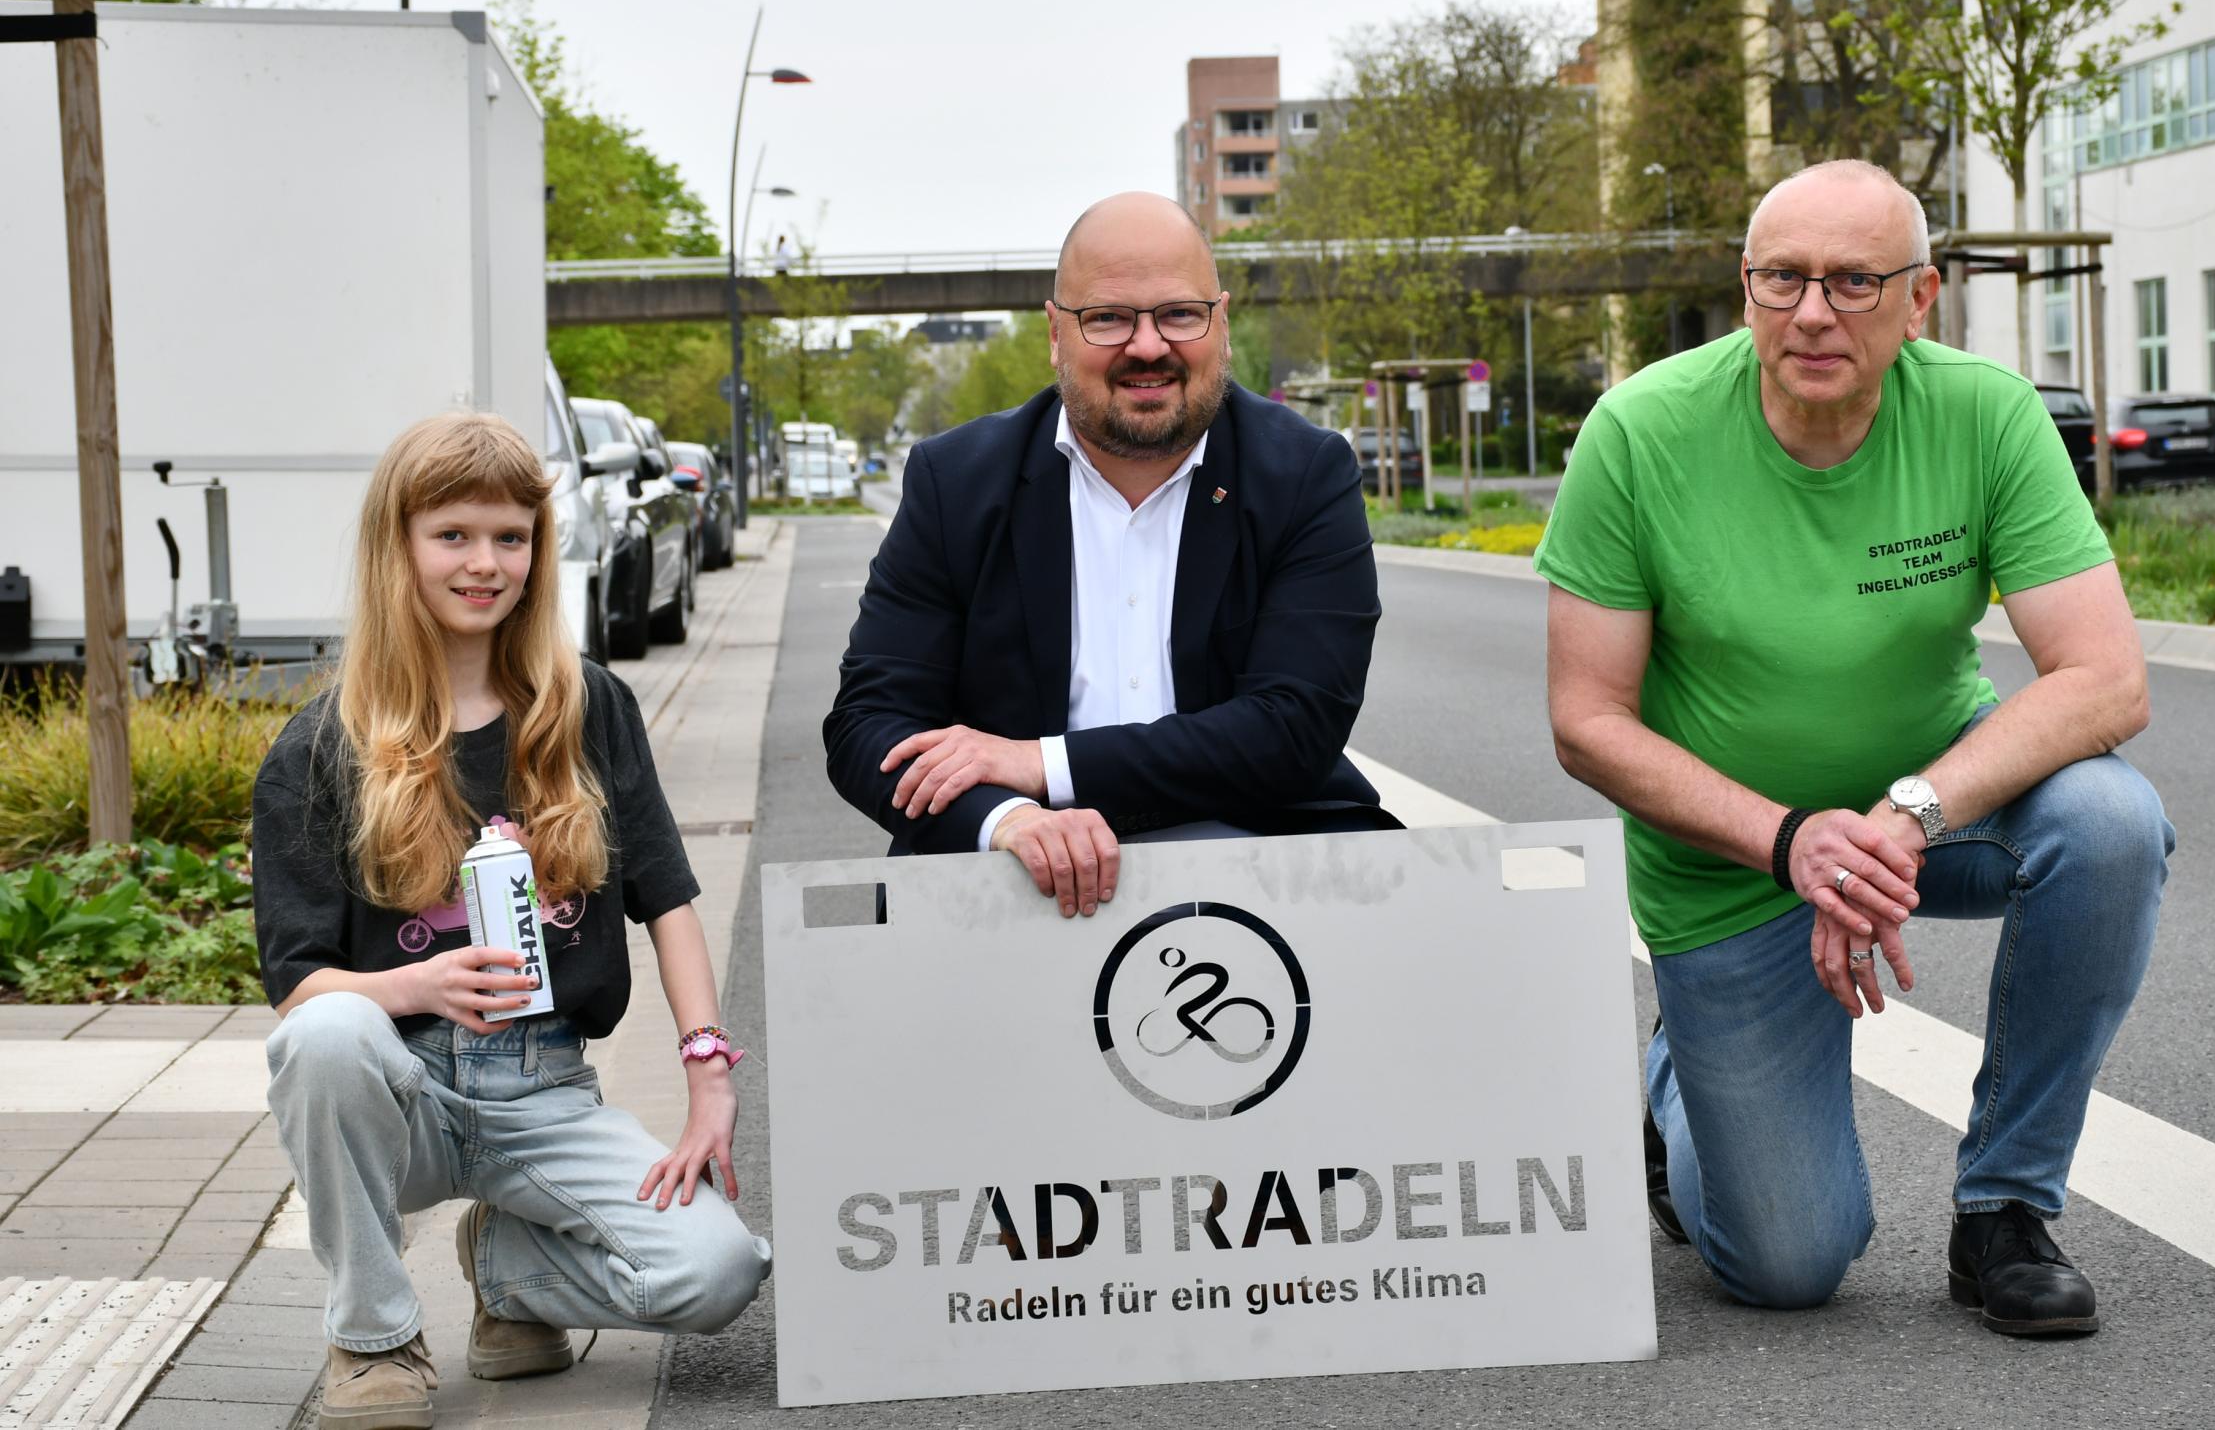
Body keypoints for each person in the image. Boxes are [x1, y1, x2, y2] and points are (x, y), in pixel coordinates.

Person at [1538, 160, 2172, 1338]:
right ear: (1745, 287)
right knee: (1787, 1264)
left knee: (2109, 824)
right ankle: (1680, 1075)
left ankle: (2005, 1207)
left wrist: (1904, 815)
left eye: (1852, 281)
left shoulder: (1986, 413)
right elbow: (1588, 718)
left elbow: (2105, 679)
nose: (1813, 313)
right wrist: (1788, 840)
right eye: (1781, 279)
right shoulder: (1639, 431)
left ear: (1920, 297)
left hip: (1920, 817)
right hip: (1734, 860)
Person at [253, 413, 768, 1429]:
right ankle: (373, 1337)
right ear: (397, 544)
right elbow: (300, 985)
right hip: (401, 1094)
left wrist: (708, 1074)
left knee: (720, 1272)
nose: (485, 563)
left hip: (545, 1091)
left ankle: (506, 1264)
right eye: (452, 534)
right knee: (325, 1036)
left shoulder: (588, 706)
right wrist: (415, 985)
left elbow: (666, 899)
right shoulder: (319, 747)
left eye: (511, 537)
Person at [823, 191, 1394, 911]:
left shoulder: (1306, 473)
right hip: (1011, 885)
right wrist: (1008, 819)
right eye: (1108, 318)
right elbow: (869, 726)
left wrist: (1041, 766)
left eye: (1179, 314)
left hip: (1262, 860)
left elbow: (1296, 726)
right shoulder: (956, 482)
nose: (1147, 346)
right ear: (1055, 333)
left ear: (1221, 324)